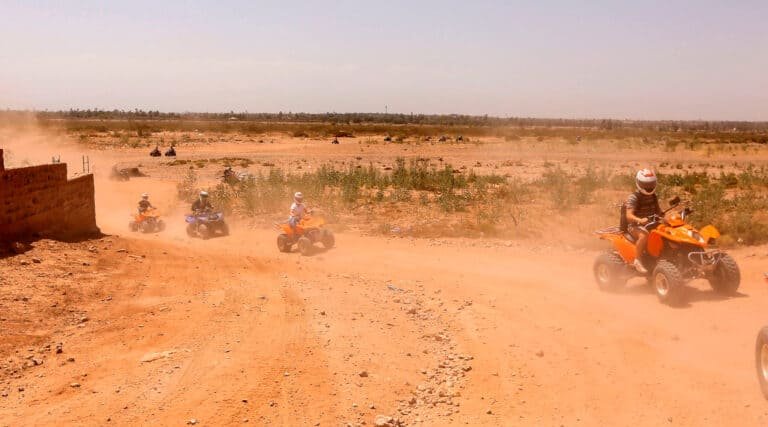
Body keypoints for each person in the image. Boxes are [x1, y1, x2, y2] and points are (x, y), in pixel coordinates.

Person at [625, 169, 663, 274]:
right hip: (635, 226)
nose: (649, 187)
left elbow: (659, 211)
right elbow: (628, 216)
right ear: (639, 183)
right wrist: (640, 220)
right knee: (644, 235)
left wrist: (666, 216)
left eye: (651, 184)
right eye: (646, 184)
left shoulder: (653, 196)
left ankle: (660, 257)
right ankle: (637, 260)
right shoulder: (634, 197)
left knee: (667, 232)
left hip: (652, 224)